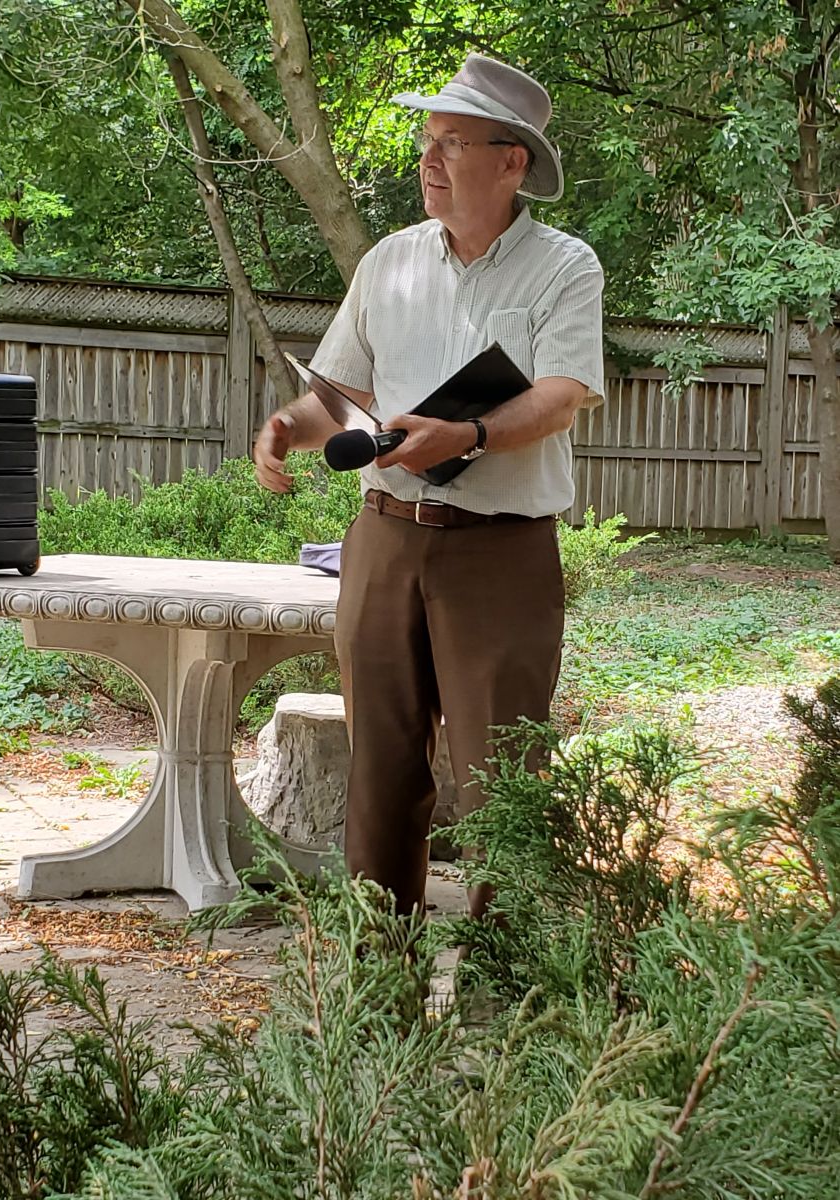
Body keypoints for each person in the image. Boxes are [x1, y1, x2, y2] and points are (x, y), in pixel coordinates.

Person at [254, 53, 605, 919]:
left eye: (452, 142)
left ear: (511, 159)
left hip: (502, 553)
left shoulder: (566, 269)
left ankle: (505, 983)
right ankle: (378, 983)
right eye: (428, 140)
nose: (429, 158)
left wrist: (473, 434)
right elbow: (340, 393)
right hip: (381, 541)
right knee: (379, 768)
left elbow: (562, 397)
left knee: (501, 782)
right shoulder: (388, 263)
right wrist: (295, 428)